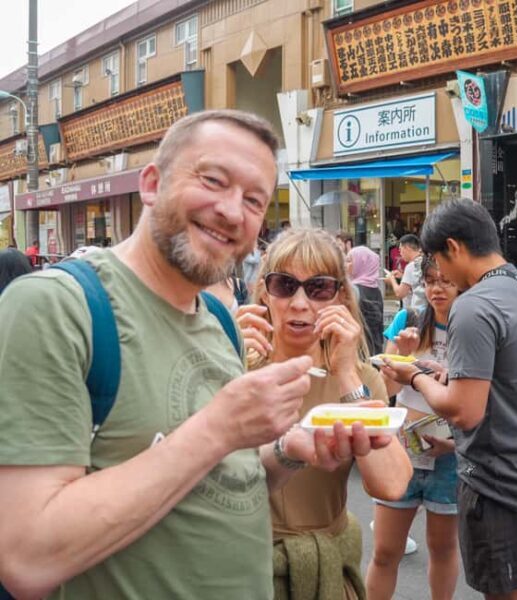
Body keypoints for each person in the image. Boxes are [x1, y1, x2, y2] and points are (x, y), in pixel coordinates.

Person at [0, 110, 371, 600]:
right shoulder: (56, 307)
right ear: (152, 184)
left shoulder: (220, 322)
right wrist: (220, 427)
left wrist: (286, 451)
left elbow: (220, 483)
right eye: (213, 180)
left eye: (254, 200)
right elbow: (27, 556)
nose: (233, 212)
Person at [381, 199, 517, 600]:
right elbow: (507, 375)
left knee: (503, 590)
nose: (442, 275)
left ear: (453, 247)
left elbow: (463, 411)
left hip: (495, 479)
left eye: (440, 262)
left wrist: (414, 376)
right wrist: (448, 376)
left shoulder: (474, 305)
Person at [239, 227, 412, 600]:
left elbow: (392, 484)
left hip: (328, 574)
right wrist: (225, 363)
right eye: (285, 285)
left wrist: (347, 375)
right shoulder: (237, 365)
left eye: (318, 288)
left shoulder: (358, 379)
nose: (300, 303)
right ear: (265, 292)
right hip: (244, 570)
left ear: (340, 296)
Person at [367, 255, 460, 600]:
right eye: (431, 281)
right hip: (402, 451)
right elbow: (385, 392)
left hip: (449, 456)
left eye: (447, 281)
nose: (437, 289)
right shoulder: (408, 320)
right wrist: (403, 355)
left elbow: (477, 399)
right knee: (384, 551)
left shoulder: (473, 328)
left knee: (443, 548)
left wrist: (456, 444)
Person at [345, 246, 384, 356]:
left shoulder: (352, 291)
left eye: (349, 261)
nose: (345, 265)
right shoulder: (376, 290)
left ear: (360, 264)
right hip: (374, 349)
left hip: (357, 351)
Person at [383, 234, 426, 312]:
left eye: (400, 249)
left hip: (416, 310)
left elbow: (400, 293)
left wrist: (392, 279)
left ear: (407, 248)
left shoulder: (411, 266)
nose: (400, 253)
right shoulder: (425, 261)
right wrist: (403, 276)